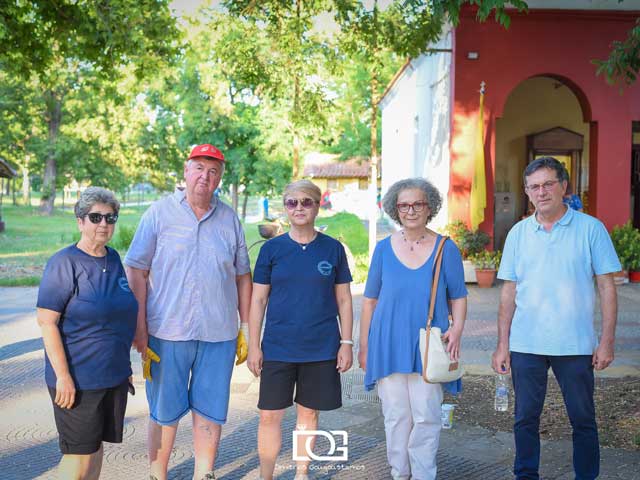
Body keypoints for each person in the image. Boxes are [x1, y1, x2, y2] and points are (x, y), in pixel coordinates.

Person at [125, 144, 252, 480]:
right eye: (199, 168)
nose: (205, 177)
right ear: (185, 171)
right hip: (166, 333)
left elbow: (243, 276)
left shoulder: (229, 219)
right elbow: (136, 270)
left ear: (219, 179)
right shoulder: (158, 214)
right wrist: (139, 327)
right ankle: (157, 474)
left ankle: (204, 473)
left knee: (210, 410)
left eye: (213, 171)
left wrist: (246, 328)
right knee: (164, 412)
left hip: (219, 334)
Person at [492, 157, 621, 480]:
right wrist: (502, 344)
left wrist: (606, 341)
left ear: (564, 186)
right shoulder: (518, 233)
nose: (542, 192)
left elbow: (607, 287)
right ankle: (525, 475)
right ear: (527, 192)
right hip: (526, 343)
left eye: (548, 184)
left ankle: (586, 476)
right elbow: (508, 291)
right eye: (534, 186)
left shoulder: (591, 229)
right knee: (524, 418)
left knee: (583, 419)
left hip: (575, 344)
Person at [359, 178, 468, 480]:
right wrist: (364, 345)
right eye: (404, 205)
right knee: (395, 416)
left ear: (429, 207)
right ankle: (400, 473)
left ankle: (423, 474)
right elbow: (369, 301)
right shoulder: (383, 249)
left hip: (429, 344)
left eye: (417, 204)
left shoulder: (446, 248)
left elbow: (458, 296)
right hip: (387, 342)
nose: (410, 210)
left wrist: (457, 329)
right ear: (395, 210)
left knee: (426, 416)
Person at [247, 179, 353, 480]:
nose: (299, 208)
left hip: (321, 346)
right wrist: (254, 345)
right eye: (292, 202)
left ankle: (301, 474)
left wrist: (347, 343)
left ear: (318, 206)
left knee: (308, 413)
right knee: (269, 415)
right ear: (285, 207)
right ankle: (266, 476)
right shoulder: (271, 250)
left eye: (306, 201)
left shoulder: (333, 249)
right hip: (278, 346)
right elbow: (258, 300)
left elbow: (344, 299)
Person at [36, 187, 138, 480]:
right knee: (78, 457)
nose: (104, 224)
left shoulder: (113, 258)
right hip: (78, 379)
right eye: (95, 217)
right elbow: (47, 323)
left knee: (94, 451)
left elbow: (118, 316)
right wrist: (63, 377)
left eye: (110, 217)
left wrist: (124, 368)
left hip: (112, 376)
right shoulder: (64, 263)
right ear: (80, 221)